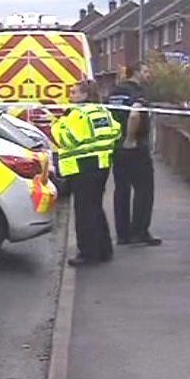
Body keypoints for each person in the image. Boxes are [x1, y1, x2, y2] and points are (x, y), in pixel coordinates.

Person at [52, 80, 121, 266]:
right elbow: (116, 131)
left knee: (84, 213)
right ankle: (104, 249)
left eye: (74, 92)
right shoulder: (102, 111)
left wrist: (58, 124)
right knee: (96, 209)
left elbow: (66, 139)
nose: (70, 96)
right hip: (101, 166)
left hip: (82, 168)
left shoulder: (78, 114)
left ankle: (88, 253)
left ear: (85, 95)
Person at [107, 62, 162, 247]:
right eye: (146, 71)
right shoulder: (138, 92)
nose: (149, 75)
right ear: (136, 73)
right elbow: (134, 114)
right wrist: (131, 138)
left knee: (121, 191)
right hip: (135, 146)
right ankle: (139, 232)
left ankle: (122, 235)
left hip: (117, 146)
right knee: (144, 191)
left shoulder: (114, 92)